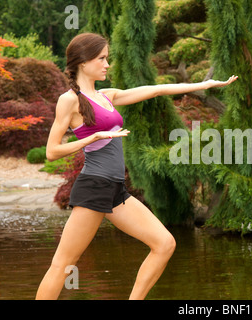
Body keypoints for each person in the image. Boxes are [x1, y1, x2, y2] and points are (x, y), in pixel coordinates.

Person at [35, 33, 238, 300]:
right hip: (94, 186)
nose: (107, 64)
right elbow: (51, 151)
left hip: (115, 189)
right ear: (83, 63)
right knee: (63, 265)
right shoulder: (69, 100)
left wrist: (204, 83)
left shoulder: (106, 96)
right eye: (102, 58)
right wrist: (93, 137)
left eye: (107, 58)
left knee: (164, 244)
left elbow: (156, 89)